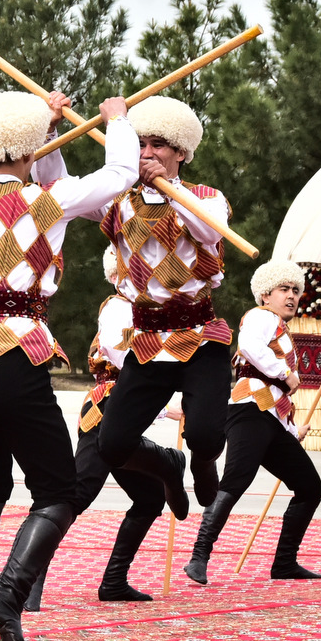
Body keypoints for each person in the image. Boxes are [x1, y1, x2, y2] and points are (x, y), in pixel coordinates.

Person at [0, 89, 137, 641]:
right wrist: (115, 120)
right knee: (58, 491)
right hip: (14, 355)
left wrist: (43, 129)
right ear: (29, 146)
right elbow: (119, 173)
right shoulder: (48, 201)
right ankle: (7, 597)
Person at [25, 246, 186, 610]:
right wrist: (163, 400)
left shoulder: (147, 312)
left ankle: (114, 581)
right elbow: (124, 357)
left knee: (148, 498)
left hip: (125, 409)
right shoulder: (119, 307)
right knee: (75, 496)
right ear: (117, 275)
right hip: (107, 407)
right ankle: (27, 582)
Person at [94, 96, 233, 509]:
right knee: (113, 444)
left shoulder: (207, 197)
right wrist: (49, 133)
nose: (148, 153)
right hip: (148, 339)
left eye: (159, 144)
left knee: (207, 436)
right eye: (141, 143)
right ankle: (167, 465)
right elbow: (59, 187)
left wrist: (169, 190)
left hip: (199, 334)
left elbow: (210, 234)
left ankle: (202, 460)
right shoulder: (118, 200)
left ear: (182, 152)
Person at [184, 259, 321, 585]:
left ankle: (285, 562)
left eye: (295, 291)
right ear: (265, 295)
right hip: (249, 411)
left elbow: (276, 393)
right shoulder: (260, 316)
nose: (292, 296)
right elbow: (248, 348)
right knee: (236, 480)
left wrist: (291, 429)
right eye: (284, 290)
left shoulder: (280, 328)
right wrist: (285, 373)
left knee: (309, 487)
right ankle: (199, 556)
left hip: (271, 420)